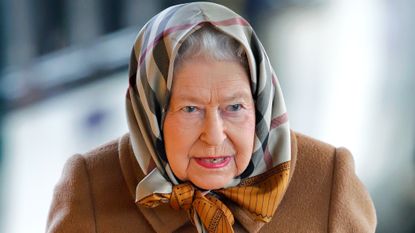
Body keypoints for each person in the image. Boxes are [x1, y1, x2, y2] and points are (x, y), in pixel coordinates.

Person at [46, 2, 376, 233]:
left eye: (234, 107)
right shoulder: (90, 186)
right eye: (191, 109)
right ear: (151, 114)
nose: (214, 135)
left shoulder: (328, 178)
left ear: (260, 104)